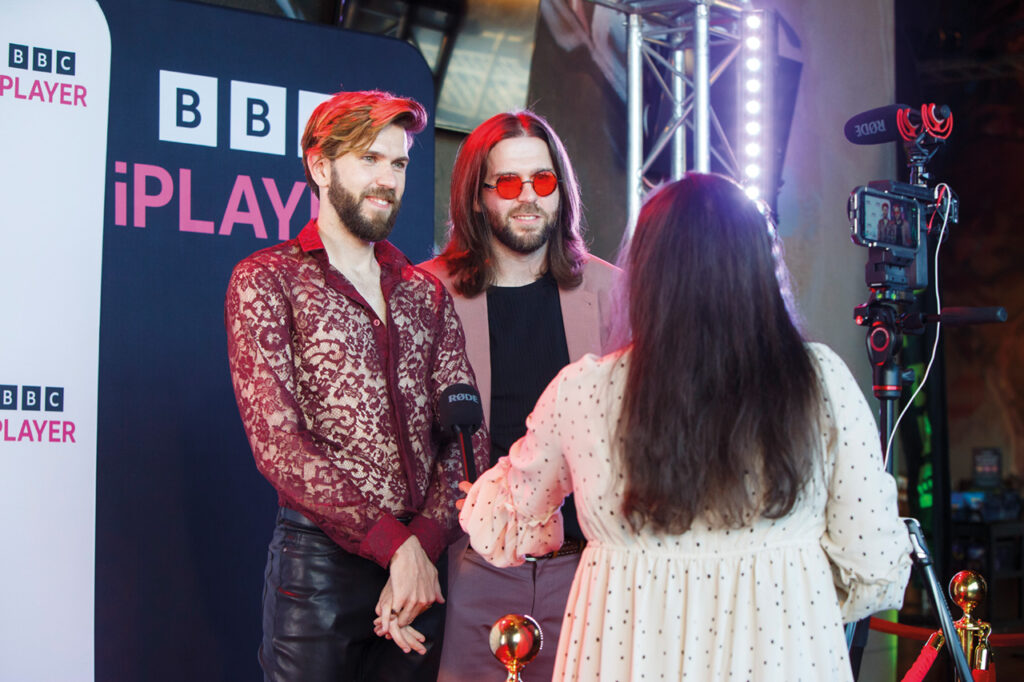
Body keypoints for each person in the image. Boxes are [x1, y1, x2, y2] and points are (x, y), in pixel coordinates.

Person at [459, 173, 913, 681]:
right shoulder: (819, 379)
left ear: (648, 272)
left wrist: (482, 497)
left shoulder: (582, 391)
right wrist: (785, 580)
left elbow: (507, 520)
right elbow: (872, 559)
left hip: (630, 654)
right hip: (781, 653)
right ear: (759, 267)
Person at [225, 90, 486, 682]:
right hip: (321, 572)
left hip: (421, 574)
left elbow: (466, 440)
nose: (387, 179)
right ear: (320, 167)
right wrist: (398, 547)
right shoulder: (269, 280)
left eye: (397, 164)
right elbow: (279, 447)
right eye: (369, 159)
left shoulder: (425, 294)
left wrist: (418, 547)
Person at [417, 110, 618, 681]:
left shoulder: (613, 290)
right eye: (508, 183)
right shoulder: (426, 292)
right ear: (477, 197)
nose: (528, 197)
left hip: (590, 568)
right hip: (473, 566)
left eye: (544, 181)